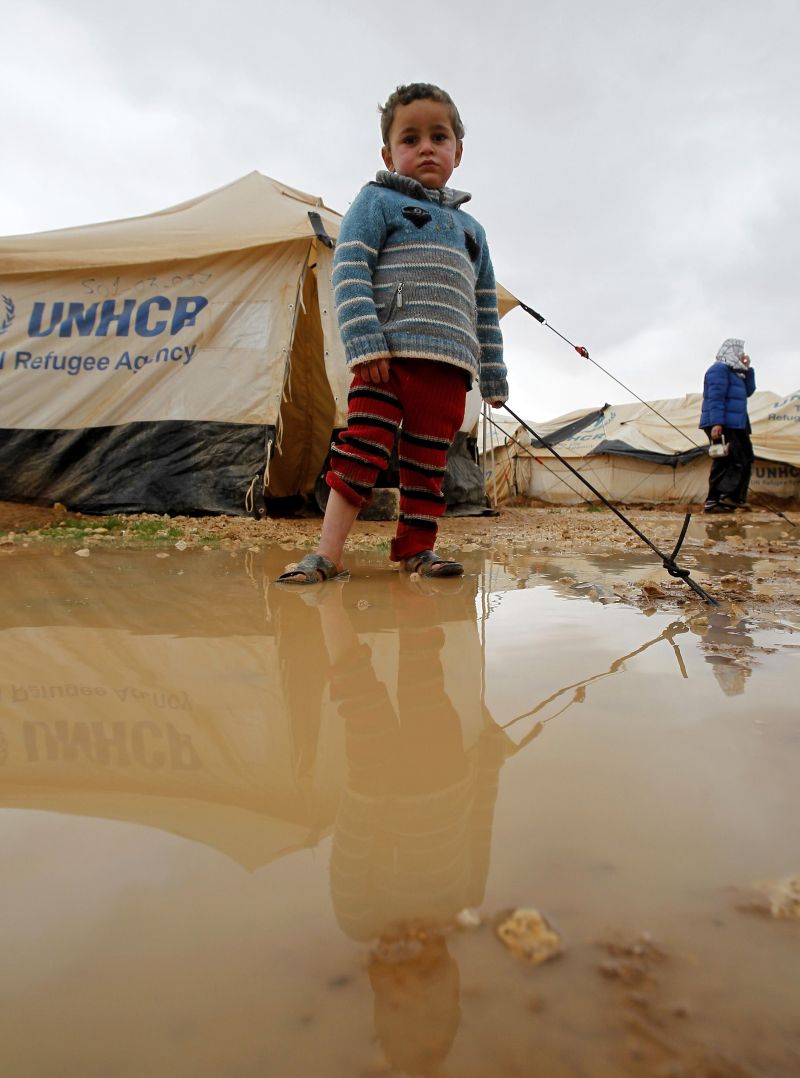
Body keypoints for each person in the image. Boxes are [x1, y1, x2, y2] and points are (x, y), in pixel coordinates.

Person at [277, 82, 508, 584]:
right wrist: (365, 342)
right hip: (387, 359)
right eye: (410, 138)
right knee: (361, 449)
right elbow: (350, 267)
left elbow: (483, 306)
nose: (425, 146)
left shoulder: (473, 231)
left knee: (428, 466)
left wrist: (493, 375)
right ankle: (327, 554)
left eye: (438, 136)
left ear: (458, 152)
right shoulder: (377, 201)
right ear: (388, 152)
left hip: (449, 368)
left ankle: (416, 551)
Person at [699, 338, 756, 513]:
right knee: (729, 460)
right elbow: (715, 397)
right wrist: (717, 423)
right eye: (739, 351)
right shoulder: (719, 369)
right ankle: (718, 499)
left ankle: (734, 498)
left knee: (745, 458)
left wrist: (748, 370)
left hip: (737, 423)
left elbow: (748, 391)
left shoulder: (737, 373)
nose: (742, 354)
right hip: (723, 422)